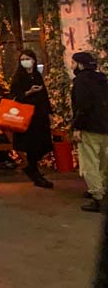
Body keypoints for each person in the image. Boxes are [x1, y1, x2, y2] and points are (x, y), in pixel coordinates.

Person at [69, 51, 108, 212]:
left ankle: (96, 196)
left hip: (89, 126)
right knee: (103, 161)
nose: (71, 65)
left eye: (73, 62)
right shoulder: (102, 79)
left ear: (80, 64)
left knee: (90, 163)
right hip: (105, 126)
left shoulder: (81, 81)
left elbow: (82, 106)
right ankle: (103, 187)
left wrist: (77, 127)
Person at [10, 48, 54, 188]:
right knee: (31, 146)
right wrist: (29, 92)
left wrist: (49, 112)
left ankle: (32, 168)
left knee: (42, 145)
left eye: (27, 59)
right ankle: (34, 171)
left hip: (40, 115)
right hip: (26, 116)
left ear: (34, 60)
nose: (25, 62)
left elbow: (44, 95)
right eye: (22, 59)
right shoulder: (18, 77)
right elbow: (15, 97)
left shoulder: (37, 75)